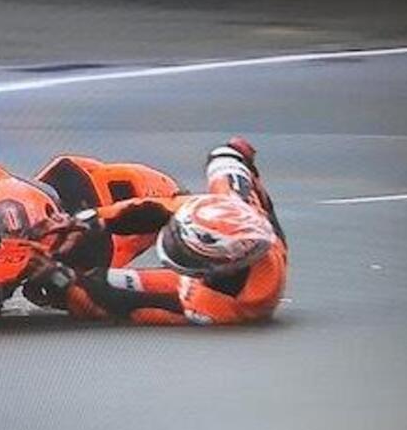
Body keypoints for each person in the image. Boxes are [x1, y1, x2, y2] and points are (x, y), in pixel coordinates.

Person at [25, 138, 287, 325]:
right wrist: (86, 220)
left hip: (203, 288)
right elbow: (153, 210)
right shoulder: (226, 205)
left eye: (183, 247)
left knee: (95, 283)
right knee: (225, 155)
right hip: (243, 222)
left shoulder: (218, 305)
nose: (172, 242)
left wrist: (61, 280)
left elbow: (125, 308)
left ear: (218, 268)